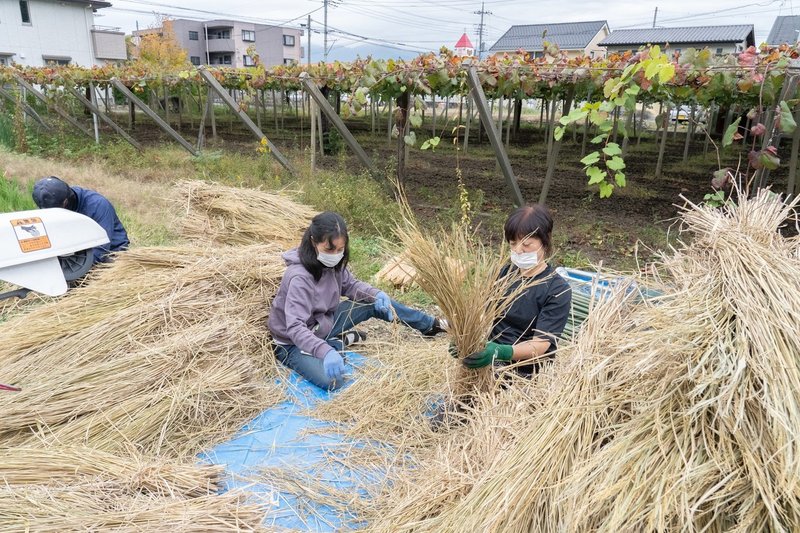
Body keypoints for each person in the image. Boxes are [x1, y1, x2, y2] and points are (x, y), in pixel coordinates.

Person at [268, 211, 447, 390]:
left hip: (324, 322)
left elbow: (351, 286)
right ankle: (336, 343)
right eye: (329, 249)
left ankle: (430, 325)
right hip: (295, 343)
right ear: (314, 242)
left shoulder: (333, 264)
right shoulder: (300, 277)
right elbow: (295, 328)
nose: (335, 255)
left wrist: (376, 294)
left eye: (340, 249)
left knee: (374, 303)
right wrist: (326, 351)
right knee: (333, 380)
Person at [462, 204, 572, 375]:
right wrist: (463, 339)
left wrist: (501, 352)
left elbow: (540, 345)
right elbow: (480, 314)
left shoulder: (557, 289)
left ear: (545, 241)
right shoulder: (503, 273)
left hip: (526, 374)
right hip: (490, 364)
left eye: (527, 244)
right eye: (513, 243)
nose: (518, 250)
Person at [32, 176, 129, 264]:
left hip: (110, 250)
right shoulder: (52, 205)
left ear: (65, 202)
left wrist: (77, 269)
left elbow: (102, 248)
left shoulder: (98, 205)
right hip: (80, 248)